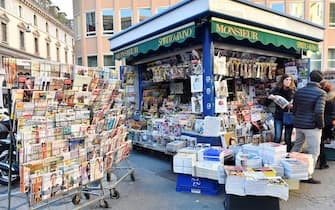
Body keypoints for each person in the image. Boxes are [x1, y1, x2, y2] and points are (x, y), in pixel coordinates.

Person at [291, 70, 326, 184]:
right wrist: (320, 125)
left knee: (297, 147)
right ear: (321, 80)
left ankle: (290, 170)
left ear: (309, 78)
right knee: (313, 151)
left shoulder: (299, 91)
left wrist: (298, 118)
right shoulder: (321, 93)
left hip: (299, 124)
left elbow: (294, 108)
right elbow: (318, 112)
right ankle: (308, 175)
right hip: (312, 126)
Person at [267, 74, 296, 151]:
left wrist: (292, 105)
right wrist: (271, 97)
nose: (288, 82)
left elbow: (296, 102)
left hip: (289, 115)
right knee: (277, 136)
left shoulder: (293, 90)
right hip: (278, 115)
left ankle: (287, 153)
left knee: (287, 138)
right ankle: (275, 153)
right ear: (282, 80)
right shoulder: (276, 90)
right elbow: (268, 100)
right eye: (286, 79)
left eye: (290, 80)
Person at [317, 80, 335, 169]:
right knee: (324, 141)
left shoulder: (320, 96)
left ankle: (322, 161)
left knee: (320, 142)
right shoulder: (333, 97)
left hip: (320, 121)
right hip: (330, 122)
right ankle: (323, 162)